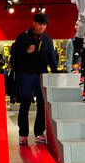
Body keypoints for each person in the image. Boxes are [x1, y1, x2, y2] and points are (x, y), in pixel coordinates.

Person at [11, 12, 59, 146]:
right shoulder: (24, 36)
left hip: (41, 76)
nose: (42, 27)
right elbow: (13, 53)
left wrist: (55, 74)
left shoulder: (47, 39)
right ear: (34, 23)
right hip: (25, 75)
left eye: (44, 25)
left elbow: (52, 58)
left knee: (42, 105)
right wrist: (26, 51)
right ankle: (23, 135)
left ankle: (39, 133)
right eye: (40, 24)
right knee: (25, 104)